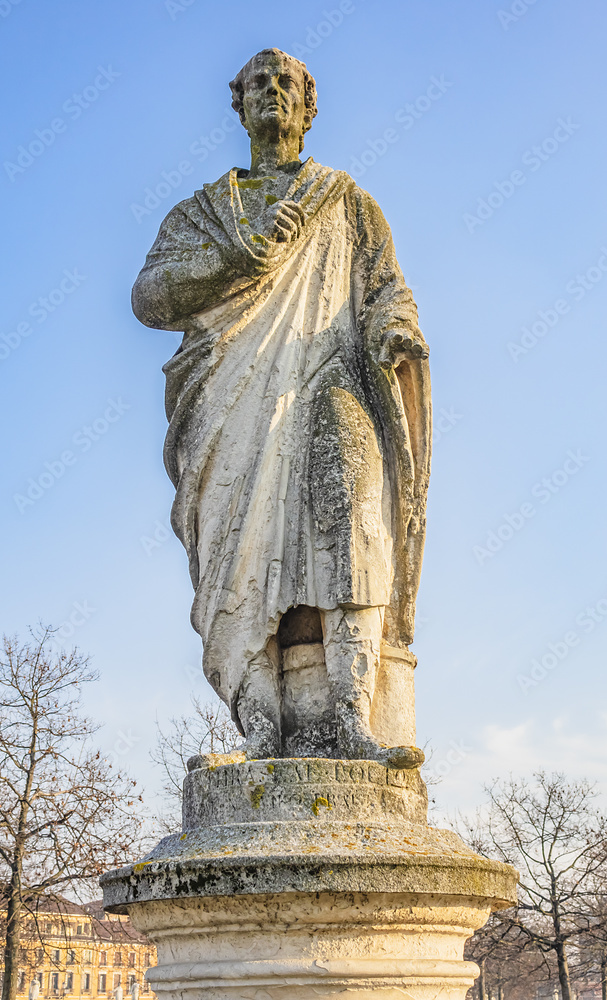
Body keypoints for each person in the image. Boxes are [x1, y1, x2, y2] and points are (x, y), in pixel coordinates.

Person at [132, 49, 431, 766]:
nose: (271, 92)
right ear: (237, 105)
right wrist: (238, 258)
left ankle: (351, 724)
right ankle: (262, 732)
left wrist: (395, 330)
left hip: (331, 382)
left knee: (356, 537)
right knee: (242, 554)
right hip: (232, 401)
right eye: (257, 84)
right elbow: (150, 298)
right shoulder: (207, 212)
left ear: (307, 105)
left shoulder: (344, 200)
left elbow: (387, 287)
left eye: (284, 83)